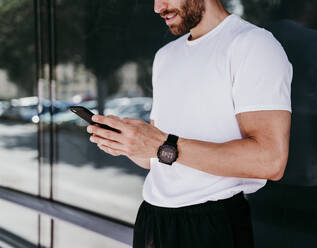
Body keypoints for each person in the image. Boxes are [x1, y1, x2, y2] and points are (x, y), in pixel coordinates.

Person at [86, 0, 292, 247]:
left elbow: (270, 160)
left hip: (212, 223)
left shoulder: (253, 44)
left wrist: (163, 145)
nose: (157, 7)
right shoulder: (165, 56)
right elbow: (159, 158)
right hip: (152, 218)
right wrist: (126, 143)